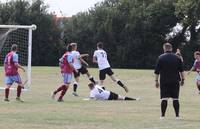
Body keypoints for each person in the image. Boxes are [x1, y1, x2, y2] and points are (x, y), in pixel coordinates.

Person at [154, 43, 185, 119]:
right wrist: (183, 80)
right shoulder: (177, 58)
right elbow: (181, 70)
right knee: (175, 99)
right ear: (171, 48)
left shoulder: (160, 57)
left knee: (164, 98)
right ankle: (177, 116)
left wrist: (156, 81)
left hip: (164, 81)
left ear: (164, 49)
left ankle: (162, 116)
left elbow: (157, 71)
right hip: (175, 81)